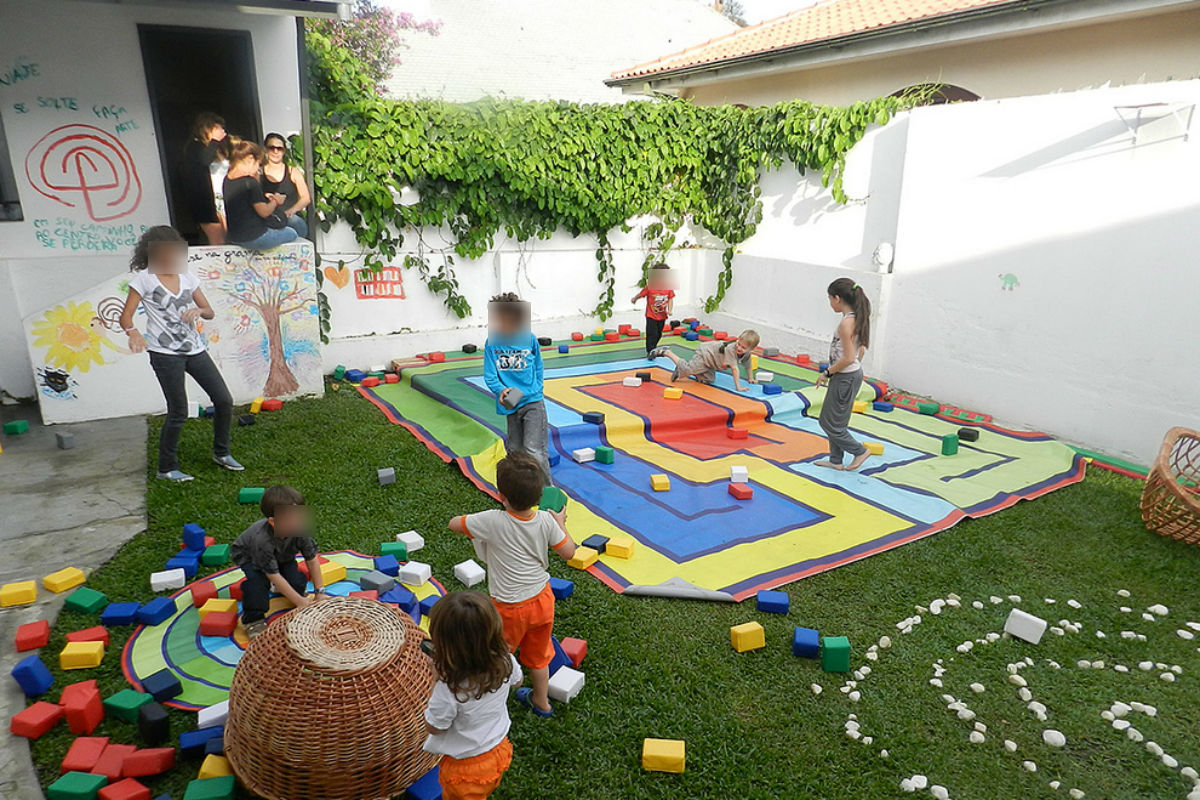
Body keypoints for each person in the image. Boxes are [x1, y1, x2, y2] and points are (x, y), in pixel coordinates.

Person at [448, 452, 576, 717]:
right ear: (539, 496)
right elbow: (569, 552)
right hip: (542, 600)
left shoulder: (492, 520)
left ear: (501, 495)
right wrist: (560, 524)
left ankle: (491, 707)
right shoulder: (545, 520)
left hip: (509, 608)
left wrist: (476, 521)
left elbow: (454, 524)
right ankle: (542, 703)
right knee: (540, 657)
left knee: (497, 656)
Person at [118, 226, 242, 481]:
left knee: (223, 400)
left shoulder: (187, 276)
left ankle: (222, 452)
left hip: (195, 349)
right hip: (165, 354)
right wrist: (134, 334)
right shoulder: (144, 279)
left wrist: (198, 312)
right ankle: (166, 468)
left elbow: (209, 311)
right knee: (178, 411)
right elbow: (125, 317)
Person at [423, 591, 522, 800]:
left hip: (465, 768)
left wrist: (434, 681)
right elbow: (518, 681)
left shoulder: (448, 689)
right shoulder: (506, 662)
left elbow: (434, 727)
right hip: (499, 749)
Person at [230, 485, 327, 639]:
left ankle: (284, 588)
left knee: (295, 581)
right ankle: (253, 619)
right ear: (273, 522)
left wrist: (319, 593)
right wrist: (300, 602)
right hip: (251, 556)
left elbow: (312, 559)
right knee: (258, 583)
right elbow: (272, 574)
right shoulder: (261, 540)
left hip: (282, 553)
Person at [483, 293, 552, 486]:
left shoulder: (529, 340)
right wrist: (501, 390)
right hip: (511, 401)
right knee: (514, 449)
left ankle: (546, 490)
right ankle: (518, 489)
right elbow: (490, 375)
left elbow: (538, 365)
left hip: (532, 401)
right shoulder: (492, 344)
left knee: (534, 450)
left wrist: (537, 388)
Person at [814, 278, 872, 471]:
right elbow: (860, 351)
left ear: (837, 298)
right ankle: (836, 460)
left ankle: (859, 451)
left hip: (844, 377)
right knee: (837, 421)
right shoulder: (858, 318)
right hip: (850, 375)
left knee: (828, 423)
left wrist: (827, 373)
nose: (830, 303)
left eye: (830, 299)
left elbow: (848, 357)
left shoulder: (846, 324)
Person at [222, 139, 300, 251]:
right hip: (254, 236)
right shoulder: (250, 182)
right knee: (292, 232)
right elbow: (264, 212)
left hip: (235, 236)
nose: (258, 169)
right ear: (250, 159)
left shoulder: (227, 179)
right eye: (258, 165)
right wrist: (276, 201)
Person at [650, 329, 760, 392]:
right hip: (705, 353)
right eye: (738, 344)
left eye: (743, 348)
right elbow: (734, 369)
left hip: (711, 363)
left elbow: (748, 365)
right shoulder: (732, 349)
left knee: (708, 380)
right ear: (737, 339)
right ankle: (667, 352)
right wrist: (738, 387)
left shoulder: (746, 354)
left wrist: (751, 378)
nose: (739, 348)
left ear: (750, 349)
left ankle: (680, 371)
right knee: (690, 369)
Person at [180, 112, 228, 245]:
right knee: (218, 240)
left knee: (228, 237)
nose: (222, 131)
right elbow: (204, 161)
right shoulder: (195, 147)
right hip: (207, 201)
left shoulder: (219, 148)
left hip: (224, 198)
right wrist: (214, 142)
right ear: (208, 129)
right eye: (218, 128)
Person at [261, 133, 310, 238]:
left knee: (295, 222)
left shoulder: (293, 171)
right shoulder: (259, 173)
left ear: (284, 151)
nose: (275, 151)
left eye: (279, 148)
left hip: (290, 218)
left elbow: (305, 198)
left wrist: (290, 211)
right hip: (267, 217)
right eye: (271, 148)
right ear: (265, 149)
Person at [630, 263, 675, 357]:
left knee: (659, 334)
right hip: (651, 315)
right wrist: (635, 299)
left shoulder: (668, 288)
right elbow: (641, 294)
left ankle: (654, 347)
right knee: (652, 333)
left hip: (662, 316)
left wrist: (670, 310)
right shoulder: (650, 287)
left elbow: (670, 299)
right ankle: (650, 350)